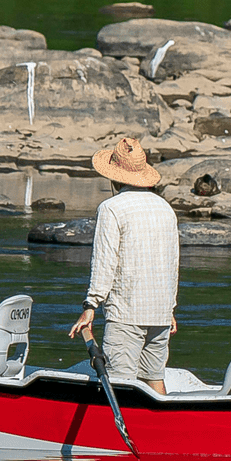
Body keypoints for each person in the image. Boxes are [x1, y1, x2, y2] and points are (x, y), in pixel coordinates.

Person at [67, 136, 179, 394]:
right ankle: (162, 430)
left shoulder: (111, 208)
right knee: (154, 378)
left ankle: (123, 433)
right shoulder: (165, 208)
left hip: (127, 313)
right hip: (160, 313)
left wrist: (90, 306)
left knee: (121, 383)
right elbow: (172, 263)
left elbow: (105, 261)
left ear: (114, 177)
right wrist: (170, 307)